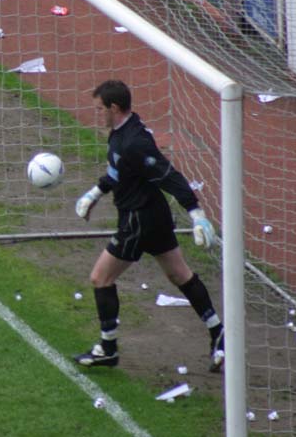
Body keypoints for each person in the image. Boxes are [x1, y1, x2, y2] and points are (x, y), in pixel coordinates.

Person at [72, 80, 224, 372]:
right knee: (180, 275)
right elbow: (117, 171)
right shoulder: (122, 133)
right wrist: (96, 192)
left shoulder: (135, 143)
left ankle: (108, 348)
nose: (96, 113)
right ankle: (218, 333)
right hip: (153, 215)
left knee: (100, 278)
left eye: (99, 108)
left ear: (114, 108)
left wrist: (196, 213)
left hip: (138, 219)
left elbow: (169, 176)